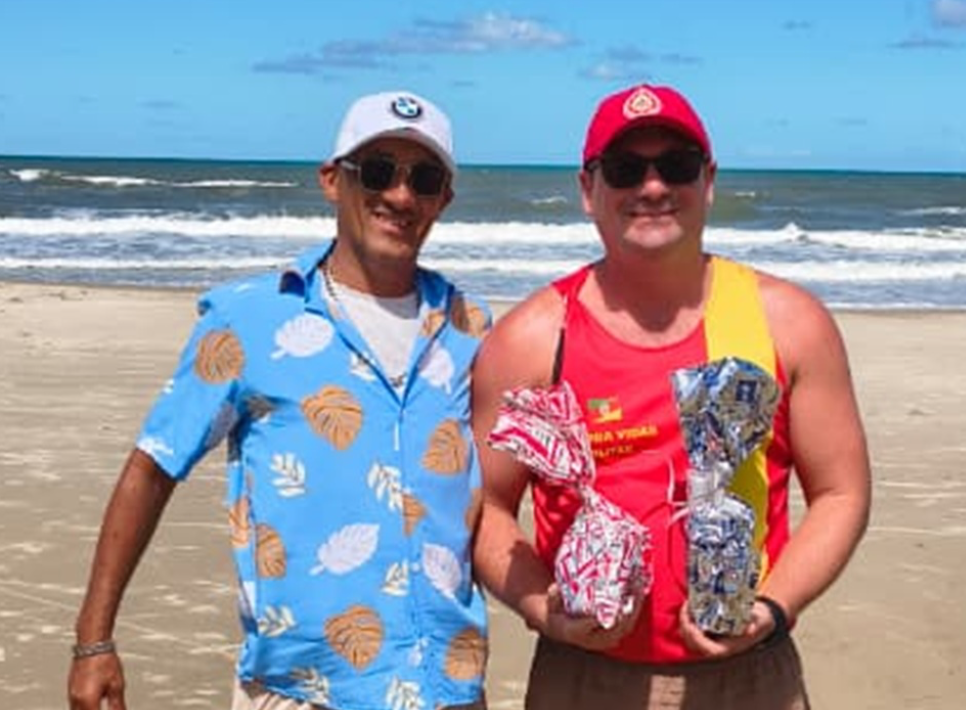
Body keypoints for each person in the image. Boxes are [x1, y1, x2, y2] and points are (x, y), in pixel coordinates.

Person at [68, 90, 491, 710]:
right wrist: (93, 642)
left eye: (423, 179)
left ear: (443, 199)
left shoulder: (470, 330)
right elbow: (153, 467)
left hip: (446, 690)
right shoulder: (249, 320)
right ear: (332, 180)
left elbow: (501, 494)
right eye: (378, 171)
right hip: (302, 690)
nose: (401, 196)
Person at [471, 83, 871, 709]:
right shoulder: (532, 339)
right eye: (626, 169)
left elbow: (841, 493)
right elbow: (486, 507)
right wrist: (541, 608)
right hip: (582, 676)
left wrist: (773, 606)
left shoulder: (788, 322)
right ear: (588, 189)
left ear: (708, 181)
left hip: (750, 677)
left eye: (676, 166)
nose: (653, 186)